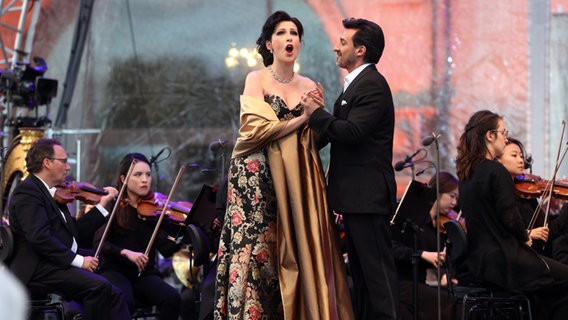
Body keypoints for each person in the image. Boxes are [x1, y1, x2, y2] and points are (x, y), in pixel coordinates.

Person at [214, 10, 353, 320]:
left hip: (292, 180)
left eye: (294, 33)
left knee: (291, 248)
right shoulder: (257, 78)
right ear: (268, 44)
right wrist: (303, 117)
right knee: (256, 251)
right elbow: (253, 132)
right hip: (255, 176)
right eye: (281, 33)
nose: (289, 38)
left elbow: (310, 144)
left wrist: (320, 120)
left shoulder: (308, 86)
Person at [302, 17, 399, 319]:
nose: (336, 47)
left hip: (367, 199)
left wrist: (317, 114)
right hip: (356, 199)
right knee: (365, 283)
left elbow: (353, 132)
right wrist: (323, 114)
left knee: (379, 281)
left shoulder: (372, 86)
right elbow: (342, 129)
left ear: (360, 50)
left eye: (343, 42)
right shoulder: (356, 86)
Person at [455, 110, 568, 319]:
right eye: (503, 132)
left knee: (552, 285)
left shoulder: (466, 173)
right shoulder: (495, 171)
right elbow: (509, 215)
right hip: (504, 261)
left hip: (480, 262)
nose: (505, 138)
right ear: (490, 136)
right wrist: (525, 238)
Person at [7, 138, 130, 320]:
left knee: (112, 282)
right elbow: (40, 238)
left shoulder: (55, 192)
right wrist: (80, 261)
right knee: (100, 288)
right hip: (38, 267)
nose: (68, 167)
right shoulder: (28, 192)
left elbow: (75, 232)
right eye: (63, 161)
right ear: (47, 163)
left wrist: (103, 205)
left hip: (54, 261)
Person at [93, 152, 182, 320]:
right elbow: (99, 243)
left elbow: (166, 250)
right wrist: (126, 252)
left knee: (172, 298)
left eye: (148, 174)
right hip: (114, 271)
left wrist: (179, 232)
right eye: (138, 174)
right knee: (124, 299)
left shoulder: (155, 209)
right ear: (123, 178)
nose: (145, 179)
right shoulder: (112, 205)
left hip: (143, 274)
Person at [391, 172, 459, 320]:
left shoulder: (440, 227)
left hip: (419, 283)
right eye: (452, 196)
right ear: (437, 193)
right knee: (447, 303)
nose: (455, 203)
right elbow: (392, 247)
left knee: (453, 298)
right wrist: (422, 254)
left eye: (456, 198)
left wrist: (446, 275)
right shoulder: (413, 218)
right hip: (400, 283)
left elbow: (440, 258)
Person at [497, 137, 568, 258]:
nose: (521, 161)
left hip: (536, 255)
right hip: (513, 257)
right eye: (514, 155)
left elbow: (549, 232)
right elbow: (499, 235)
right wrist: (528, 233)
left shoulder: (527, 194)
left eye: (521, 156)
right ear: (497, 159)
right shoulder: (499, 194)